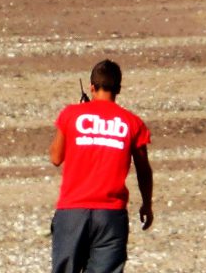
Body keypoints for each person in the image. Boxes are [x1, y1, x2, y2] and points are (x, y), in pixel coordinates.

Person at [49, 59, 153, 273]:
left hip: (72, 211)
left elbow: (55, 157)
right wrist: (146, 204)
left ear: (92, 87)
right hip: (110, 214)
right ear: (119, 89)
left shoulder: (71, 114)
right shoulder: (132, 123)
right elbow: (143, 169)